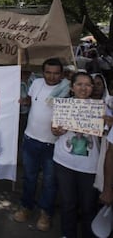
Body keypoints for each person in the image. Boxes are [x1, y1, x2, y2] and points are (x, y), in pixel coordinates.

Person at [13, 57, 65, 232]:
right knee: (29, 177)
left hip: (53, 144)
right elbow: (30, 100)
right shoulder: (35, 84)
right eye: (48, 73)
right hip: (30, 140)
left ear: (62, 74)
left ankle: (45, 212)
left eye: (56, 73)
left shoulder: (67, 89)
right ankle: (26, 207)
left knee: (50, 182)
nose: (52, 77)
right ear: (43, 73)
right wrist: (23, 102)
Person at [51, 72, 100, 238]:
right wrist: (56, 130)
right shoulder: (63, 105)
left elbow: (105, 137)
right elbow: (54, 130)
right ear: (72, 87)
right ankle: (67, 234)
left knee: (88, 206)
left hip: (90, 166)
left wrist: (106, 125)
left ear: (92, 88)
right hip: (64, 162)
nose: (83, 88)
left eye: (87, 84)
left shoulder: (100, 107)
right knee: (68, 204)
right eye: (79, 84)